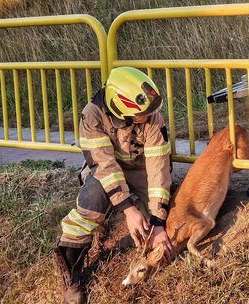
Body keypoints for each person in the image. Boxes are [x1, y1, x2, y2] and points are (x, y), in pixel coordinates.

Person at [55, 67, 173, 303]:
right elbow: (104, 166)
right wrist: (128, 209)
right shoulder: (92, 115)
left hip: (140, 170)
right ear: (123, 109)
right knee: (88, 209)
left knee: (166, 211)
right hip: (105, 170)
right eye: (144, 113)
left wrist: (158, 220)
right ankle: (72, 279)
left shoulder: (151, 116)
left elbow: (159, 167)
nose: (151, 116)